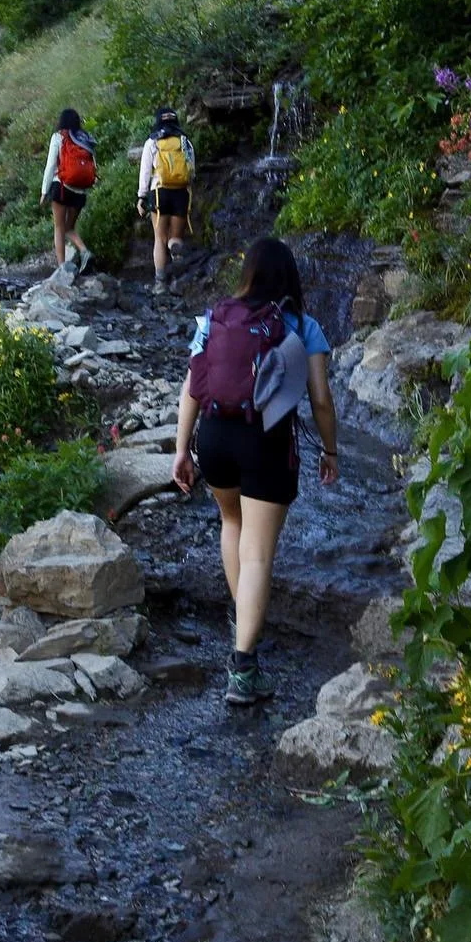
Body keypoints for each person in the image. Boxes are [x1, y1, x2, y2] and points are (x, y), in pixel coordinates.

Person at [171, 236, 340, 705]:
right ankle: (243, 669)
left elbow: (192, 387)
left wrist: (182, 450)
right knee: (260, 554)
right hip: (266, 441)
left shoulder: (215, 318)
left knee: (232, 522)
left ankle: (242, 618)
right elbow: (321, 399)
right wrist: (330, 449)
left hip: (214, 436)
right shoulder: (302, 326)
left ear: (246, 274)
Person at [137, 105, 195, 291]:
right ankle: (176, 263)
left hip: (159, 191)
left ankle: (160, 284)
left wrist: (141, 196)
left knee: (159, 239)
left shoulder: (152, 142)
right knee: (175, 237)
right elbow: (191, 170)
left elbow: (145, 172)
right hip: (181, 192)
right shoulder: (185, 141)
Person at [40, 108, 96, 272]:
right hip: (80, 191)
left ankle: (62, 268)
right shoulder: (85, 138)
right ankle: (84, 251)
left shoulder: (58, 137)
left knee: (59, 227)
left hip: (61, 187)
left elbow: (51, 165)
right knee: (69, 227)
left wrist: (44, 191)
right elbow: (93, 164)